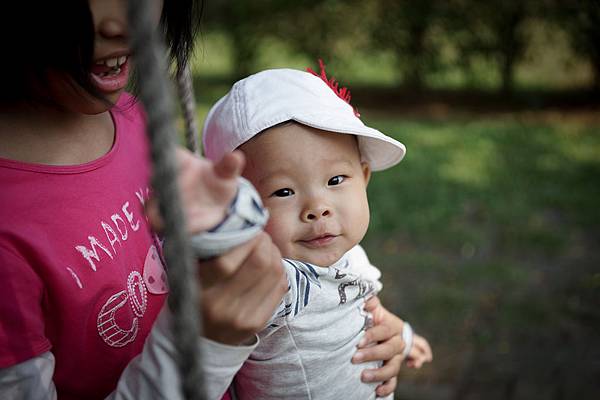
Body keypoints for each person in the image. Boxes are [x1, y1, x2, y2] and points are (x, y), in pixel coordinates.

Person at [0, 2, 420, 400]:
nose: (125, 19)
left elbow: (336, 299)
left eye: (336, 179)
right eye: (283, 191)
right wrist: (210, 340)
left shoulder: (131, 118)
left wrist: (385, 332)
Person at [201, 63, 433, 399]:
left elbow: (370, 307)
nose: (317, 207)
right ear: (237, 210)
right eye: (283, 191)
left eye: (335, 180)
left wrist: (405, 338)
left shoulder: (349, 253)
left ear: (364, 177)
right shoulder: (270, 280)